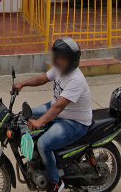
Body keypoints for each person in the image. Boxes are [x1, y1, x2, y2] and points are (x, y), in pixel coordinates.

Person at [13, 37, 92, 192]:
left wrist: (40, 122)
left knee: (44, 144)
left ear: (71, 60)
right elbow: (43, 78)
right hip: (58, 110)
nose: (56, 60)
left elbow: (58, 107)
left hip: (74, 122)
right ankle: (37, 161)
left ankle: (55, 183)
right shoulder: (59, 68)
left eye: (60, 57)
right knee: (22, 117)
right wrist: (23, 84)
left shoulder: (76, 80)